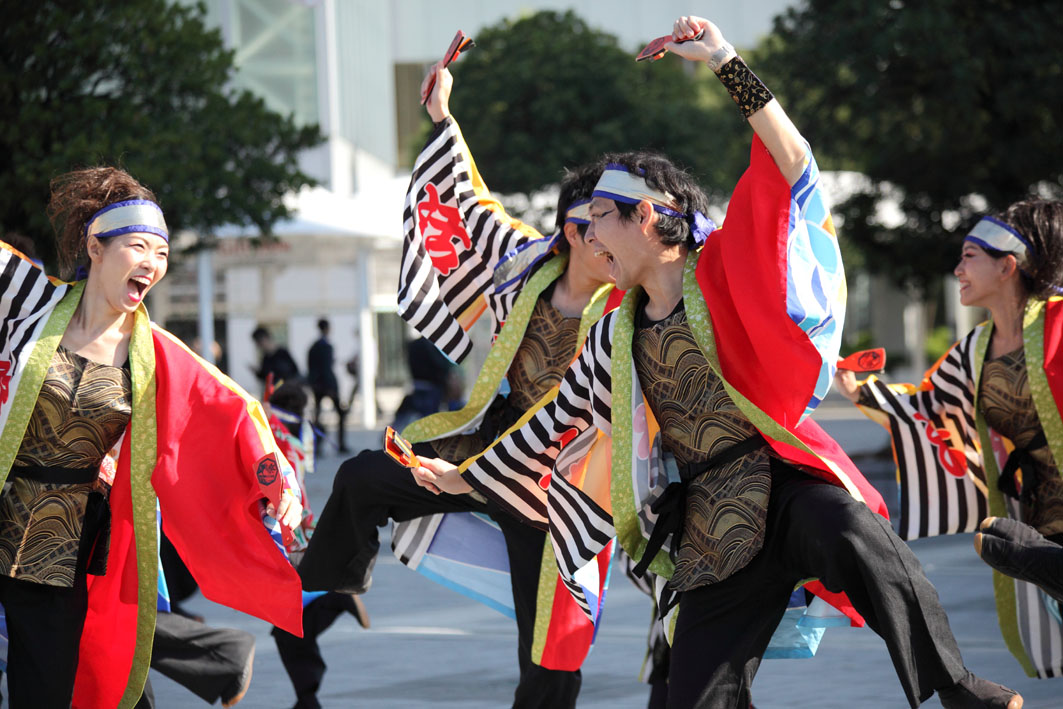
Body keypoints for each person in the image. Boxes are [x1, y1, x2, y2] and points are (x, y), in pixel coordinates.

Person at [414, 16, 1023, 709]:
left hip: (782, 486)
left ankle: (955, 684)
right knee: (692, 700)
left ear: (646, 218)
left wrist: (726, 62)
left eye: (599, 222)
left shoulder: (723, 269)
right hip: (711, 527)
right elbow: (549, 420)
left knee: (854, 529)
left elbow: (791, 163)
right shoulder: (615, 332)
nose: (585, 239)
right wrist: (462, 474)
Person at [299, 61, 616, 708]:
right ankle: (331, 589)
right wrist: (443, 116)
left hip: (562, 486)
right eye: (599, 223)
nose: (612, 236)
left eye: (620, 221)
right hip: (487, 441)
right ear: (570, 231)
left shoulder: (628, 311)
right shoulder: (525, 262)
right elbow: (469, 204)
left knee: (551, 644)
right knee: (363, 475)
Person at [0, 167, 304, 707]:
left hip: (60, 540)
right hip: (4, 501)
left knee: (42, 689)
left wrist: (275, 477)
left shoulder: (155, 355)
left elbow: (231, 411)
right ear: (95, 246)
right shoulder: (29, 303)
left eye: (161, 254)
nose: (153, 264)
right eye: (138, 246)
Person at [836, 199, 1063, 678]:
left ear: (1007, 266)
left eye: (969, 256)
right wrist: (862, 391)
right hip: (1042, 529)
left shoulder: (1059, 324)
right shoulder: (975, 349)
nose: (957, 268)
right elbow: (926, 407)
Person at [264, 379, 370, 709]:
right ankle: (306, 697)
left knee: (287, 626)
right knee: (288, 623)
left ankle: (307, 695)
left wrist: (300, 531)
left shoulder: (271, 438)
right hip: (291, 534)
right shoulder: (286, 439)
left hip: (283, 538)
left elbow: (286, 492)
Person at [307, 318, 349, 453]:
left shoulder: (313, 347)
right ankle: (341, 444)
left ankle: (317, 446)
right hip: (327, 385)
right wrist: (331, 388)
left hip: (316, 386)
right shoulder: (327, 347)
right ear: (327, 328)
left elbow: (311, 368)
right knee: (341, 414)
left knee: (317, 417)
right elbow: (326, 369)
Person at [251, 324, 301, 391]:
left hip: (288, 390)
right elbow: (266, 378)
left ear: (264, 339)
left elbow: (294, 371)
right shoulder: (266, 358)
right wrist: (258, 373)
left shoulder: (282, 353)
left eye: (258, 343)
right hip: (275, 392)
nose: (258, 346)